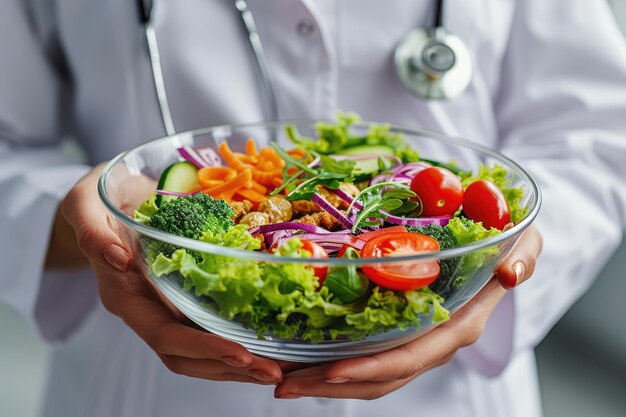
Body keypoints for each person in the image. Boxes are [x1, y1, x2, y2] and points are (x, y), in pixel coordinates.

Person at [0, 1, 624, 416]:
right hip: (151, 388)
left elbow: (597, 133)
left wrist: (496, 263)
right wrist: (85, 224)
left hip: (447, 392)